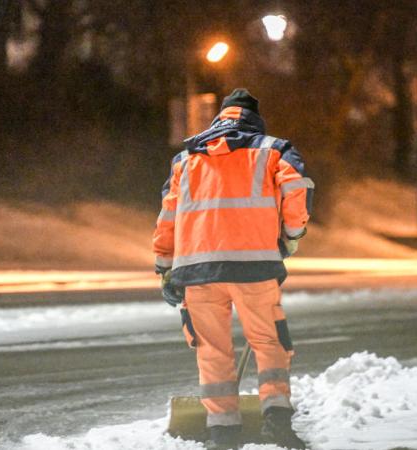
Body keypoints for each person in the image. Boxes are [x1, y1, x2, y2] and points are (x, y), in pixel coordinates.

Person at [153, 88, 313, 449]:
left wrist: (164, 265)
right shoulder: (275, 150)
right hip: (256, 267)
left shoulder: (186, 158)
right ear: (255, 121)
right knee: (269, 342)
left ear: (219, 119)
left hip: (198, 271)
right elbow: (297, 190)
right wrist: (291, 234)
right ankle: (277, 421)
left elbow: (168, 217)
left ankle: (223, 431)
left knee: (212, 349)